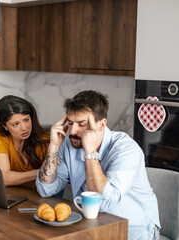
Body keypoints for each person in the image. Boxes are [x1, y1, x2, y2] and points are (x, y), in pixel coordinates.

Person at [36, 90, 160, 240]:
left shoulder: (126, 149)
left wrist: (90, 151)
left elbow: (104, 204)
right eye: (70, 122)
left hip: (133, 231)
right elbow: (45, 189)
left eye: (81, 124)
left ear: (101, 124)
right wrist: (54, 146)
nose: (73, 131)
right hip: (90, 228)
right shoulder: (69, 144)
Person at [0, 95, 49, 189]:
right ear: (4, 126)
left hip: (42, 194)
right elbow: (4, 178)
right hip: (16, 193)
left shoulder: (46, 139)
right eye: (15, 124)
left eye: (26, 120)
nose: (24, 128)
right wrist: (41, 172)